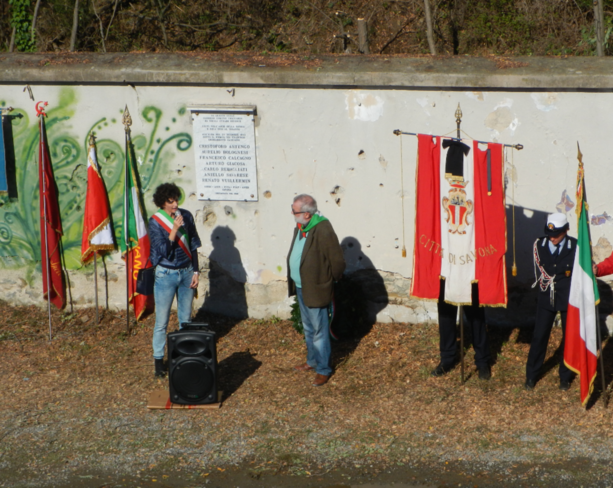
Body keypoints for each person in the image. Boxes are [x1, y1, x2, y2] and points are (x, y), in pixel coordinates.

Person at [287, 194, 345, 387]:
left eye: (294, 211)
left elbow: (337, 261)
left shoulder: (323, 229)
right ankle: (312, 361)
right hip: (302, 286)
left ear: (307, 214)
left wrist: (328, 281)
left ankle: (323, 369)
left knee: (319, 331)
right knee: (309, 328)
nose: (292, 214)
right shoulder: (302, 226)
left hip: (316, 288)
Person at [149, 183, 202, 377]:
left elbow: (194, 244)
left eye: (176, 200)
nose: (175, 204)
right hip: (166, 275)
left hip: (187, 271)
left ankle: (184, 358)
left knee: (185, 319)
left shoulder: (186, 215)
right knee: (161, 321)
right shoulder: (155, 222)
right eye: (170, 201)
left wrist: (196, 271)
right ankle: (158, 363)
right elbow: (163, 251)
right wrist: (174, 229)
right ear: (162, 203)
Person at [525, 212, 576, 391]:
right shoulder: (540, 244)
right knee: (539, 336)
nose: (552, 237)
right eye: (550, 233)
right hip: (547, 296)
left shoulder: (575, 246)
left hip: (568, 296)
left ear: (566, 230)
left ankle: (565, 375)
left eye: (557, 234)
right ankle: (531, 374)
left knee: (568, 338)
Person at [431, 281, 491, 380]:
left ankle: (482, 360)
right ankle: (447, 358)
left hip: (470, 270)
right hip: (447, 270)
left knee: (476, 315)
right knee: (446, 315)